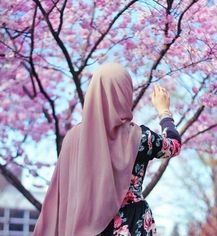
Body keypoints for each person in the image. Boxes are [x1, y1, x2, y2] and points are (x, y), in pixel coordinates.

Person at [33, 63, 181, 236]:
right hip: (131, 224)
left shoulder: (72, 138)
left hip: (80, 226)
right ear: (125, 94)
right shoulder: (139, 137)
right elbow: (173, 145)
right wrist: (164, 111)